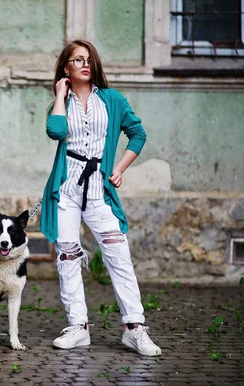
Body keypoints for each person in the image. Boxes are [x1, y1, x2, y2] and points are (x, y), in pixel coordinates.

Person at [39, 39, 161, 356]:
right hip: (65, 191)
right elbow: (55, 131)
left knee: (118, 255)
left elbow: (139, 134)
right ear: (66, 67)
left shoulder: (112, 100)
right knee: (67, 256)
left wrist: (119, 168)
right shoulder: (59, 103)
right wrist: (60, 95)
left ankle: (135, 328)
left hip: (99, 194)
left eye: (89, 59)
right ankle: (78, 327)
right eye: (78, 59)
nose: (85, 64)